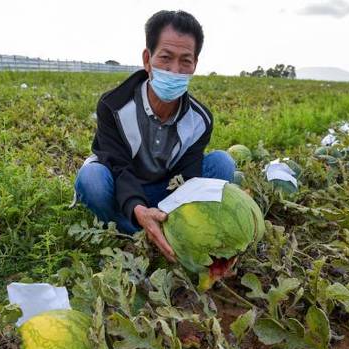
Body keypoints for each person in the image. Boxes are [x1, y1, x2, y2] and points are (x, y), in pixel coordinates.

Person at [73, 10, 235, 262]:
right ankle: (135, 231)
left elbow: (188, 176)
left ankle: (163, 229)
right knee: (91, 179)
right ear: (147, 59)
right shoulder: (113, 106)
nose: (174, 70)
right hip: (122, 188)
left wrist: (172, 211)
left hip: (165, 190)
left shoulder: (200, 119)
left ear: (195, 65)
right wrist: (139, 209)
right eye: (166, 58)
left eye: (185, 61)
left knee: (223, 163)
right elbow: (118, 166)